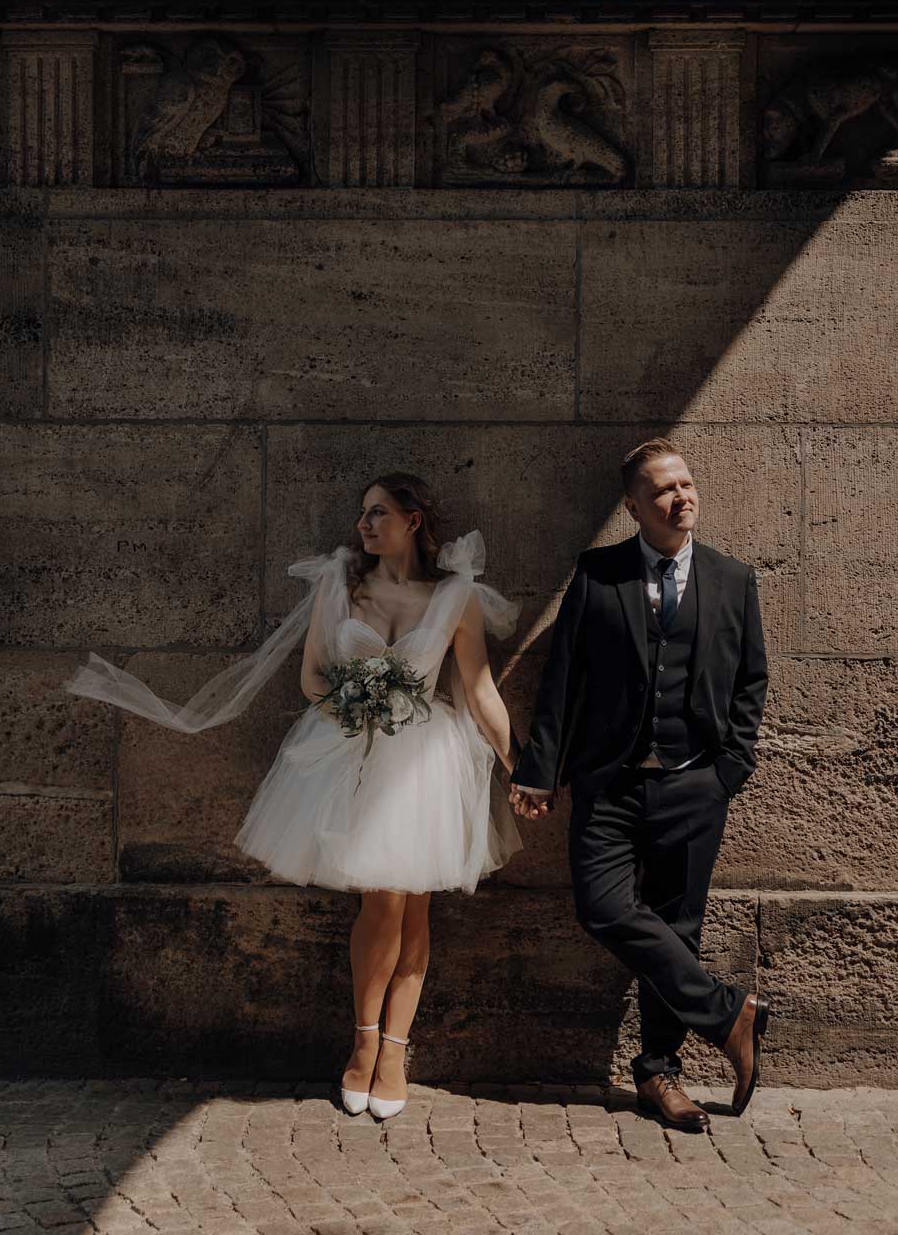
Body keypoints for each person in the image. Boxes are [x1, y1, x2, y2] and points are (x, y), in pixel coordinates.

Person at [66, 472, 522, 1121]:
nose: (363, 525)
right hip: (352, 749)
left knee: (414, 907)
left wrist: (521, 768)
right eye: (361, 514)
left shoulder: (455, 598)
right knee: (384, 905)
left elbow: (479, 692)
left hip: (425, 758)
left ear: (413, 521)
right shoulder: (342, 583)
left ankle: (393, 1050)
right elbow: (312, 678)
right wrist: (359, 697)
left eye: (378, 513)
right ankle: (363, 1046)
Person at [509, 438, 769, 1131]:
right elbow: (563, 680)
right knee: (602, 908)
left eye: (686, 484)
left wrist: (729, 771)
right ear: (633, 507)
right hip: (610, 783)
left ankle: (659, 1074)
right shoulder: (599, 574)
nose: (681, 496)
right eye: (662, 490)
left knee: (679, 929)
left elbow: (751, 681)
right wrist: (540, 769)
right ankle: (727, 1012)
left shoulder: (732, 579)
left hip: (695, 785)